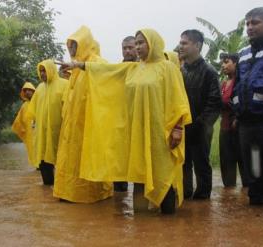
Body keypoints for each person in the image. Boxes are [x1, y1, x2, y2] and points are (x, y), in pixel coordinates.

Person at [59, 28, 191, 214]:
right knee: (139, 171)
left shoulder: (167, 68)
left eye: (140, 43)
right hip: (137, 131)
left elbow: (178, 99)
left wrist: (178, 128)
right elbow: (106, 70)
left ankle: (168, 222)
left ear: (152, 43)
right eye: (135, 43)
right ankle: (141, 223)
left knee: (162, 169)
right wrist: (79, 65)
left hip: (161, 132)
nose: (137, 47)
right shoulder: (133, 68)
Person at [53, 26, 113, 203]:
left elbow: (104, 73)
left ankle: (91, 193)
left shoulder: (97, 62)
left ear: (85, 44)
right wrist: (70, 73)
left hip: (89, 123)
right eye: (70, 47)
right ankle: (69, 191)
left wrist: (79, 66)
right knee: (71, 158)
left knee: (88, 157)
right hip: (73, 124)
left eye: (75, 46)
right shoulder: (76, 69)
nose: (71, 51)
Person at [232, 7, 263, 205]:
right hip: (247, 125)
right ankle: (258, 209)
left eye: (255, 22)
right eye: (247, 23)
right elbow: (238, 85)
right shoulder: (243, 53)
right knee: (255, 171)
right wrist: (236, 114)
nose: (249, 27)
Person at [178, 29, 221, 199]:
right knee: (183, 163)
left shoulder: (209, 71)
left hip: (201, 127)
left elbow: (214, 102)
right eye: (180, 42)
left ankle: (203, 200)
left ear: (197, 45)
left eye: (184, 43)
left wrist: (201, 124)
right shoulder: (180, 71)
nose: (180, 46)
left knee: (201, 163)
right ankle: (185, 193)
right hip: (182, 126)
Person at [27, 59, 68, 185]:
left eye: (44, 70)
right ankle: (48, 188)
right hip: (42, 133)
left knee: (61, 160)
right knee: (44, 161)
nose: (43, 74)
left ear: (51, 70)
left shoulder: (64, 84)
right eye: (40, 71)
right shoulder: (39, 88)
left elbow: (69, 108)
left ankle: (62, 188)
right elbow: (33, 109)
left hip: (59, 131)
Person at [219, 53, 249, 187]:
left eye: (226, 62)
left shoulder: (242, 82)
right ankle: (228, 195)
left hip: (239, 128)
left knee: (244, 163)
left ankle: (249, 195)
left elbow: (244, 104)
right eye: (222, 63)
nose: (223, 65)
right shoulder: (223, 84)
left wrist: (237, 118)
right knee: (226, 163)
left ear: (236, 63)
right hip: (224, 129)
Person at [114, 36, 138, 193]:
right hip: (118, 121)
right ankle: (120, 196)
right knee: (118, 159)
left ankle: (139, 193)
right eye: (124, 48)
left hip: (137, 119)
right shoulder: (117, 68)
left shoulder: (143, 67)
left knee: (137, 159)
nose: (127, 51)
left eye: (130, 47)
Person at [12, 82, 37, 166]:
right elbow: (18, 121)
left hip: (40, 132)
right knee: (32, 151)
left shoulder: (40, 102)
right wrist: (22, 130)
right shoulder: (24, 106)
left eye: (29, 90)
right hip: (30, 134)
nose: (27, 92)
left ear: (34, 91)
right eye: (25, 90)